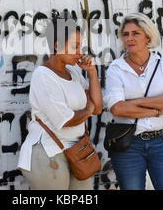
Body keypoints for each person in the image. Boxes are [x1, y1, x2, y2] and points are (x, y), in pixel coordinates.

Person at [18, 15, 103, 190]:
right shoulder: (43, 75)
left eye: (81, 46)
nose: (80, 51)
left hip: (78, 150)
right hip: (47, 151)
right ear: (57, 45)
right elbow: (65, 120)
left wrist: (93, 73)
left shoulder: (74, 71)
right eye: (75, 46)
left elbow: (98, 107)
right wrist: (88, 109)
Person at [104, 12, 163, 190]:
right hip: (129, 145)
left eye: (136, 33)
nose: (130, 38)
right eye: (126, 34)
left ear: (148, 36)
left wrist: (134, 102)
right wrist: (157, 109)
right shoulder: (116, 69)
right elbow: (117, 109)